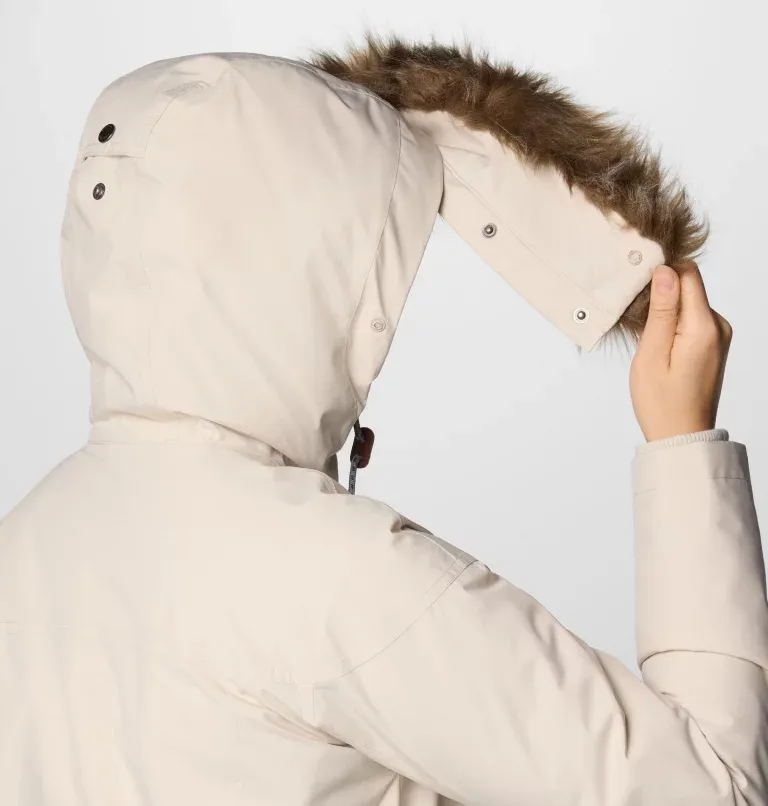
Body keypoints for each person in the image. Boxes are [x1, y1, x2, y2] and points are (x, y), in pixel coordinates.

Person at [0, 37, 765, 806]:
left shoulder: (24, 550)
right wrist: (682, 445)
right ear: (314, 268)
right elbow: (712, 790)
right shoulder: (328, 576)